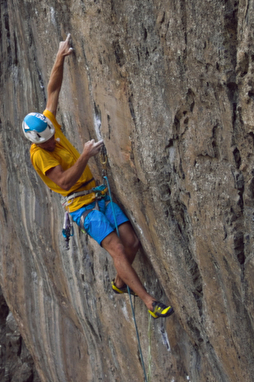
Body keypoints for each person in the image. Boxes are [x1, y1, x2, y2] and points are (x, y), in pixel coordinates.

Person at [23, 35, 172, 318]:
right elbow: (64, 182)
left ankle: (120, 284)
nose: (54, 142)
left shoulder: (47, 126)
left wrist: (59, 55)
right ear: (37, 142)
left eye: (52, 137)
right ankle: (149, 301)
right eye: (48, 142)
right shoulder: (40, 155)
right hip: (80, 205)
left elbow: (53, 91)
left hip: (97, 194)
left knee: (131, 243)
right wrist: (85, 155)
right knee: (116, 247)